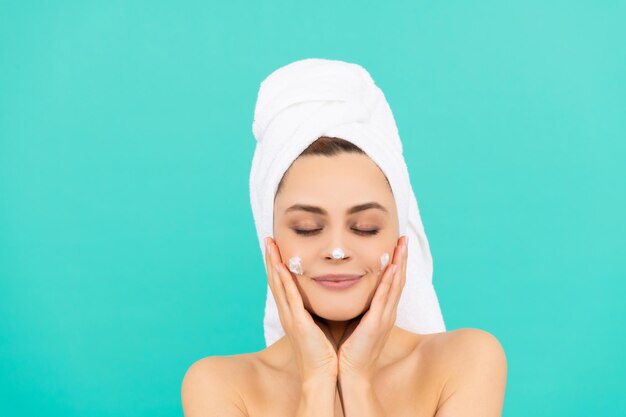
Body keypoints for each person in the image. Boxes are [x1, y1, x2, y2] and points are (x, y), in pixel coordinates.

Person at [182, 60, 507, 417]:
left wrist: (357, 381)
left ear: (399, 239)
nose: (337, 250)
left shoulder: (465, 361)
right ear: (270, 241)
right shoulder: (219, 385)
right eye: (307, 227)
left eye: (365, 227)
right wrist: (316, 381)